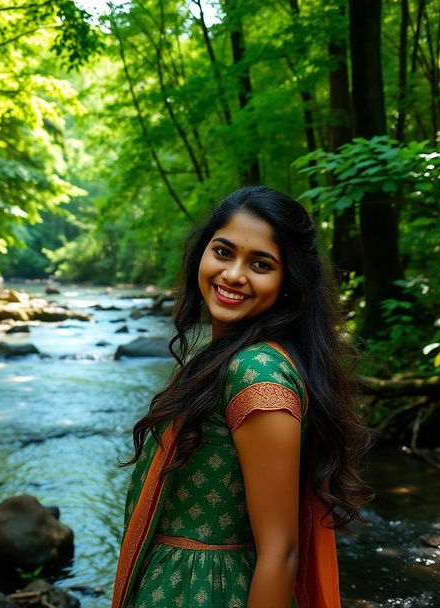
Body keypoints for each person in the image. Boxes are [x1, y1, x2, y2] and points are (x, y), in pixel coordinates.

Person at [111, 186, 373, 608]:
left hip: (207, 592)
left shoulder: (256, 375)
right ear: (202, 253)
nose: (233, 275)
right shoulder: (221, 358)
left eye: (261, 264)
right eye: (223, 252)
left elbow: (280, 551)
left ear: (289, 282)